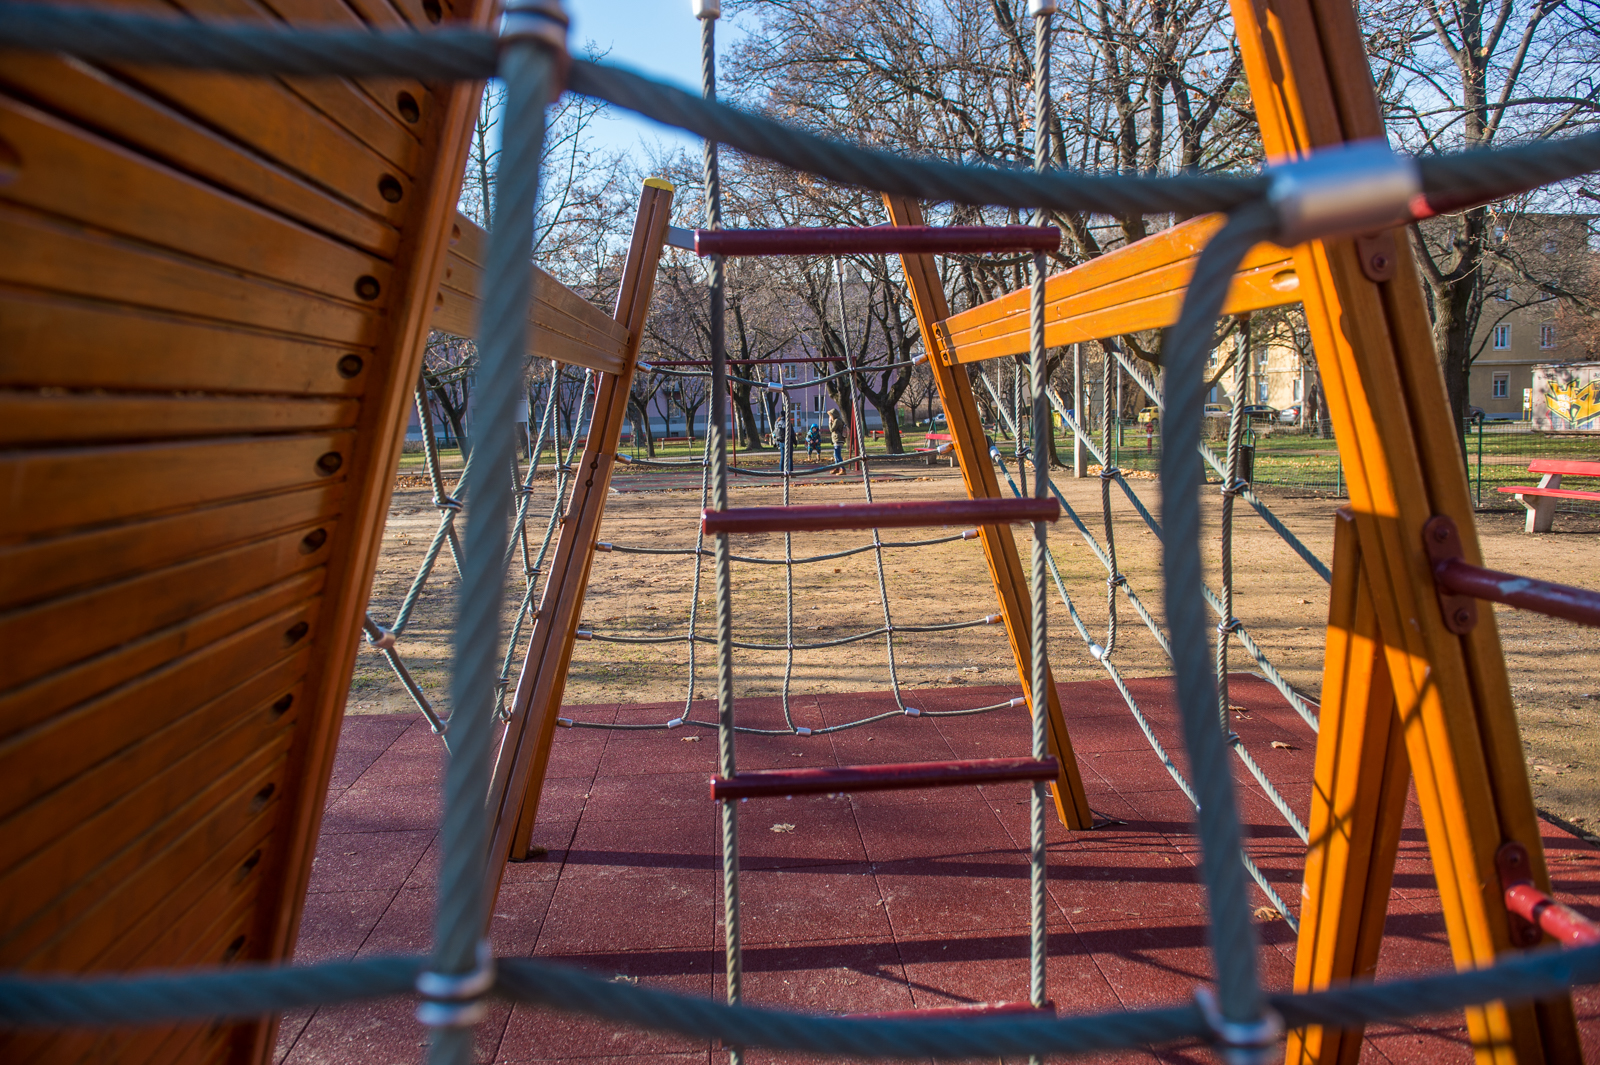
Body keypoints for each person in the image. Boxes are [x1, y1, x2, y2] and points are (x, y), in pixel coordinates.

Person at [827, 407, 847, 474]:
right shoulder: (839, 420)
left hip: (838, 439)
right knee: (835, 454)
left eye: (830, 415)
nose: (830, 417)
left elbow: (832, 429)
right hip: (838, 439)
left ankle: (843, 469)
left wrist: (830, 422)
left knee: (837, 455)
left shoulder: (837, 421)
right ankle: (836, 468)